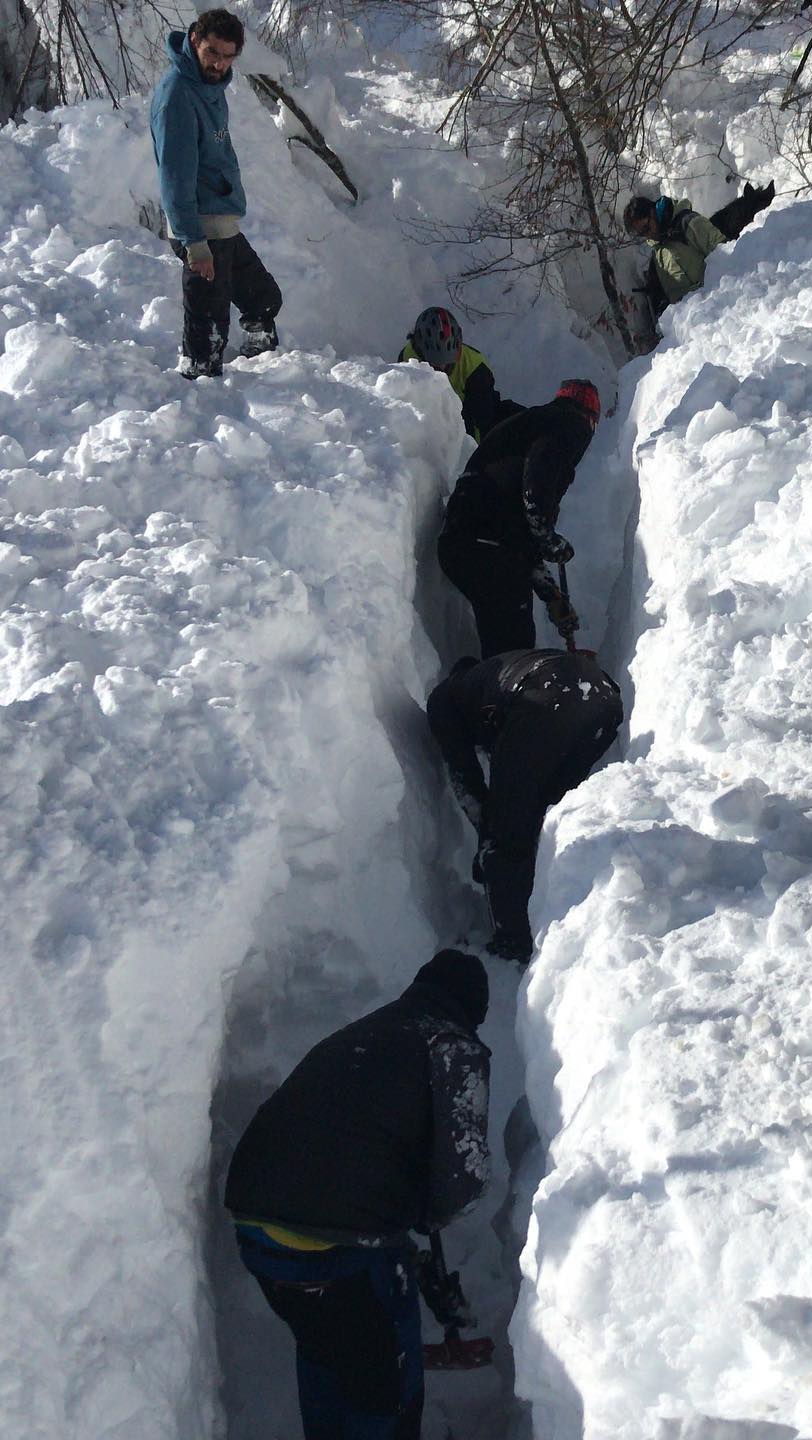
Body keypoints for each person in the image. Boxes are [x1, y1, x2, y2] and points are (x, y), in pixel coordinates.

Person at [224, 950, 491, 1440]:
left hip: (255, 1221)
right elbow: (461, 1184)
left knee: (327, 1351)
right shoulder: (453, 1044)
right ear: (473, 1011)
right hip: (335, 1242)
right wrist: (426, 1218)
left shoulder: (372, 1030)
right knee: (386, 1381)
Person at [427, 651, 624, 961]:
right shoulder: (496, 676)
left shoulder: (444, 701)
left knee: (507, 833)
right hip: (604, 698)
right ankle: (551, 906)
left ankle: (511, 944)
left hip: (547, 697)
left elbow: (466, 781)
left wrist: (488, 835)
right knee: (549, 813)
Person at [150, 9, 282, 379]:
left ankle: (264, 368)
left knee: (262, 298)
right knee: (206, 337)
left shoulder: (208, 84)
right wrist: (195, 245)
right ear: (195, 40)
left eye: (228, 57)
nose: (219, 64)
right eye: (212, 53)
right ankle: (201, 404)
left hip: (220, 221)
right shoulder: (178, 96)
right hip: (200, 229)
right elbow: (174, 177)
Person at [436, 380, 600, 658]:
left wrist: (552, 596)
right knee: (514, 649)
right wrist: (548, 537)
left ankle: (474, 690)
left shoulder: (532, 426)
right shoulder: (567, 425)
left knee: (507, 643)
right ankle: (484, 696)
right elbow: (535, 494)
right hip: (487, 544)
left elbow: (520, 530)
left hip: (468, 540)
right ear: (589, 420)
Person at [398, 306, 520, 444]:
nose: (442, 368)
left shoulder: (475, 368)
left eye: (447, 362)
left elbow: (483, 422)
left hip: (472, 412)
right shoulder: (407, 357)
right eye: (435, 364)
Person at [624, 194, 730, 319]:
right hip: (696, 321)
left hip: (723, 305)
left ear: (652, 212)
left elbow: (725, 254)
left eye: (646, 228)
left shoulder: (689, 224)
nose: (648, 235)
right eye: (642, 234)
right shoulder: (658, 253)